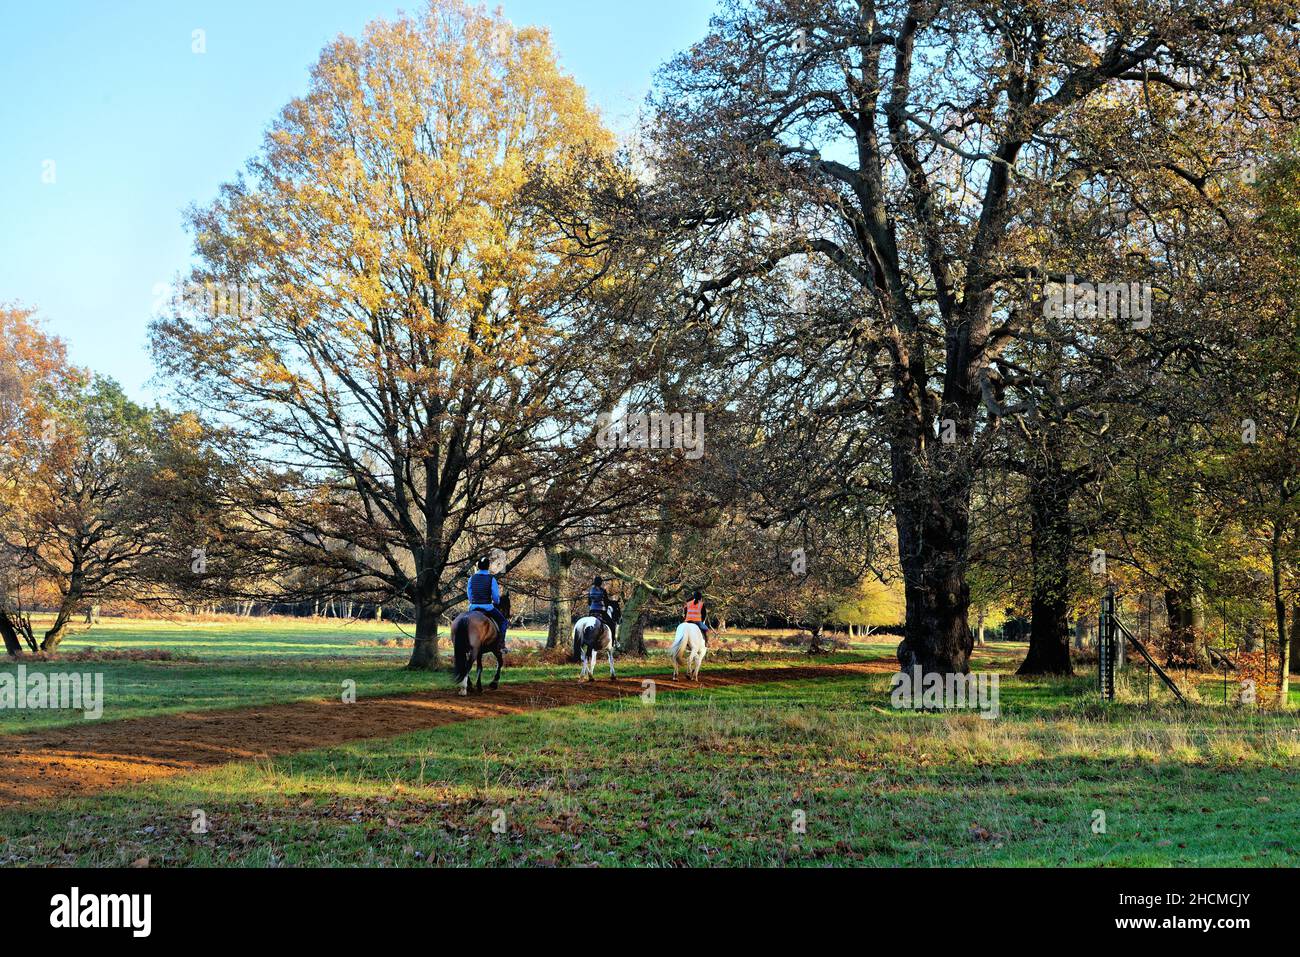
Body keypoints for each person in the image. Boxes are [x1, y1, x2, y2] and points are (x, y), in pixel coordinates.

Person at [467, 556, 508, 654]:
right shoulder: (491, 579)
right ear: (488, 567)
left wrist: (474, 601)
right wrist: (496, 602)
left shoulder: (471, 578)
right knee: (503, 622)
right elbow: (495, 596)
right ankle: (501, 645)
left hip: (473, 607)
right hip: (487, 607)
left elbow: (469, 594)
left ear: (478, 566)